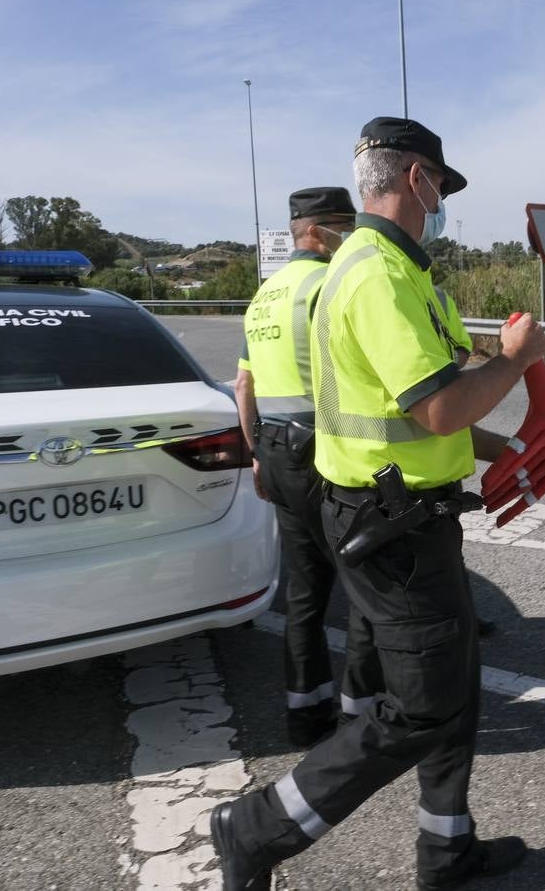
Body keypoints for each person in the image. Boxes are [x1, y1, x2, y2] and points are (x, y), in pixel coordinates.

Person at [211, 116, 545, 890]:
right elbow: (438, 407)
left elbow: (426, 403)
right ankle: (254, 829)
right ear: (416, 179)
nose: (439, 206)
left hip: (408, 518)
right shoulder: (376, 276)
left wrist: (516, 446)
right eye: (439, 189)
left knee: (455, 681)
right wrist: (517, 359)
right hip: (387, 527)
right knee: (419, 708)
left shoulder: (390, 270)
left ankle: (446, 847)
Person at [234, 186, 373, 748]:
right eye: (345, 225)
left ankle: (303, 713)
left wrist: (255, 455)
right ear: (316, 232)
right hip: (325, 453)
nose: (351, 237)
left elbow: (244, 384)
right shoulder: (327, 286)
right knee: (364, 584)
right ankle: (362, 715)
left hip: (274, 450)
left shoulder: (264, 295)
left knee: (307, 593)